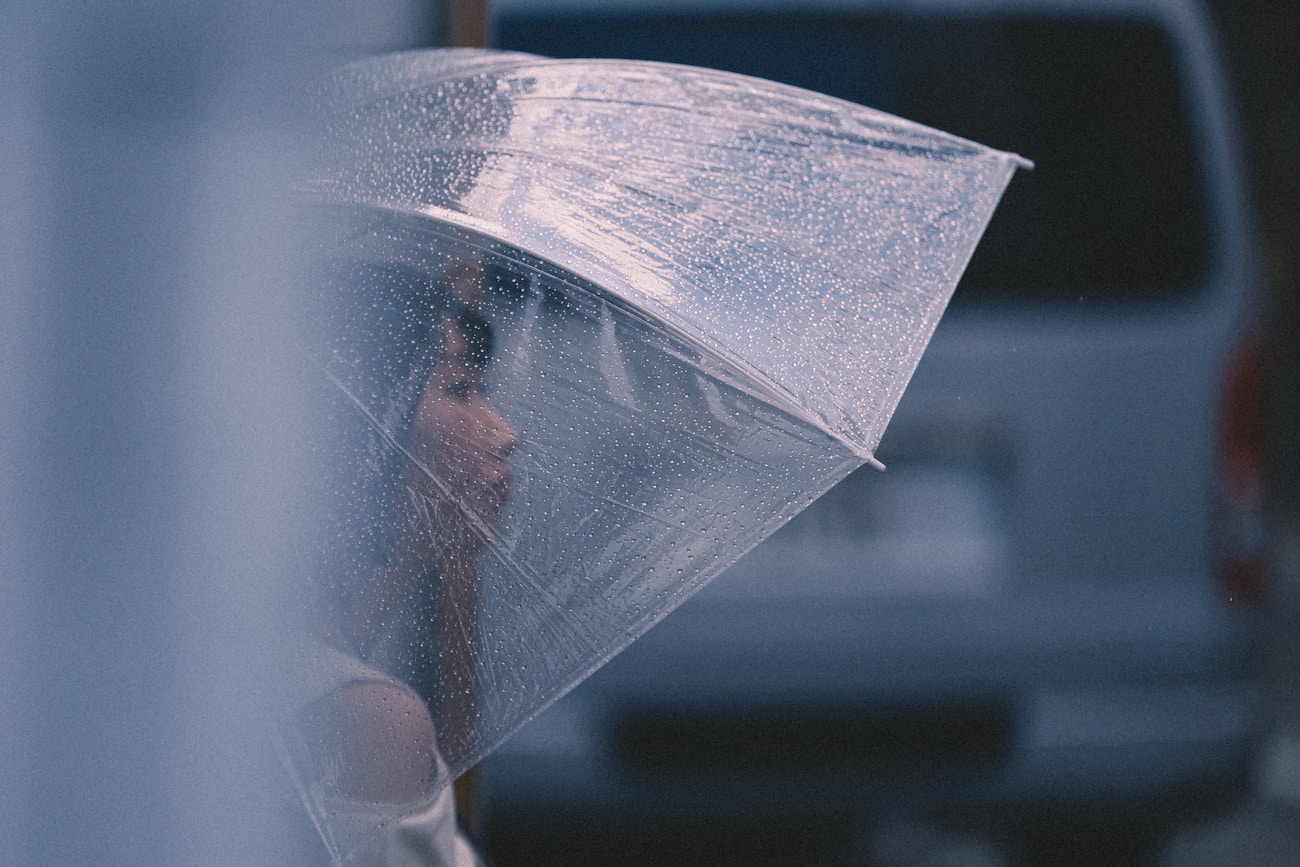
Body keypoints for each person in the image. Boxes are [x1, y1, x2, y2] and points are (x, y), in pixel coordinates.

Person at [279, 250, 516, 866]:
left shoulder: (274, 669)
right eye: (460, 389)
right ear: (365, 425)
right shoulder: (368, 718)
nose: (505, 433)